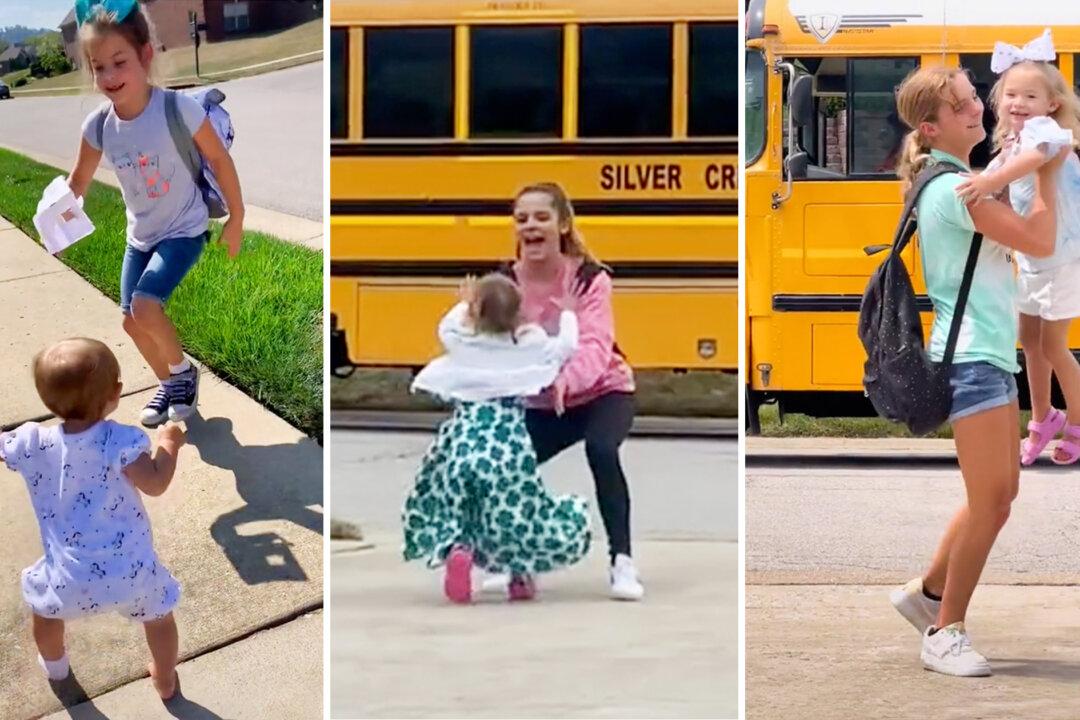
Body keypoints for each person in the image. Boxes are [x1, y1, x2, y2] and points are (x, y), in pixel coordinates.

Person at [887, 65, 1063, 676]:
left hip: (982, 352)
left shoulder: (965, 180)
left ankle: (928, 594)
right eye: (962, 106)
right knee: (991, 501)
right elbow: (1040, 241)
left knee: (998, 495)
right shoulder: (956, 191)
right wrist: (1048, 164)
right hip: (972, 357)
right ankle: (944, 631)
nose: (977, 112)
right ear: (932, 128)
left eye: (972, 100)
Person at [67, 0, 245, 427]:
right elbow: (78, 184)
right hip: (140, 235)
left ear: (145, 56)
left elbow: (219, 161)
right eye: (98, 66)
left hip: (184, 228)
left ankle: (182, 374)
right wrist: (57, 219)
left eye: (119, 61)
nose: (108, 76)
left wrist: (236, 219)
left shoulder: (175, 110)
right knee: (131, 322)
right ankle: (170, 383)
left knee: (146, 307)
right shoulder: (98, 127)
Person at [1, 338, 186, 699]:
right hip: (132, 572)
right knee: (160, 618)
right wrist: (169, 444)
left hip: (68, 577)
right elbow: (156, 483)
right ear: (116, 393)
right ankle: (164, 678)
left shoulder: (31, 442)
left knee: (45, 611)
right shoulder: (121, 442)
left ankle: (55, 667)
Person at [495, 182, 644, 601]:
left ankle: (622, 563)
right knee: (507, 464)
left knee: (601, 449)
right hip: (542, 401)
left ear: (562, 224)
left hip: (603, 392)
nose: (530, 226)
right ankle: (514, 558)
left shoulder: (588, 278)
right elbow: (489, 342)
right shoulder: (505, 282)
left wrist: (565, 380)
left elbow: (597, 344)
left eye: (541, 217)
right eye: (521, 218)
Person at [403, 273, 592, 603]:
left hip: (464, 439)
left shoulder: (462, 338)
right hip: (508, 445)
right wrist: (568, 312)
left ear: (475, 312)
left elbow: (445, 326)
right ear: (519, 313)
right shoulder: (529, 343)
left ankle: (458, 547)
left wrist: (465, 301)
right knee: (515, 510)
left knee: (457, 504)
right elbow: (566, 347)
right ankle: (519, 576)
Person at [955, 29, 1080, 465]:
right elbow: (1012, 176)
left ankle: (1077, 425)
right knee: (1028, 339)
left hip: (1064, 256)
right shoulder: (1012, 141)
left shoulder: (1047, 133)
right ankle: (1043, 417)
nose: (1018, 104)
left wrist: (989, 182)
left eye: (1030, 96)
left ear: (1053, 104)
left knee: (1054, 346)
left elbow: (1035, 160)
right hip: (1035, 257)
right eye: (1011, 95)